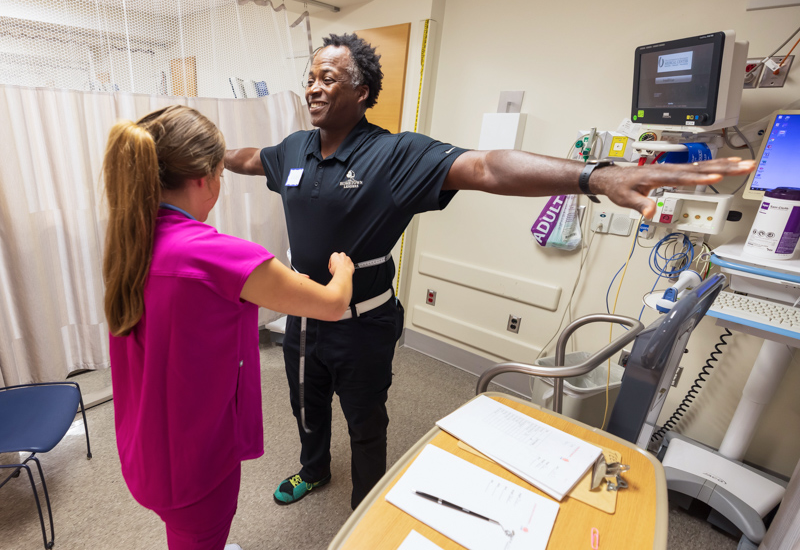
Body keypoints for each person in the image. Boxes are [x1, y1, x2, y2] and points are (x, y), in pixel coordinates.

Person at [224, 33, 755, 510]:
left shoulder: (394, 154)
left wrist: (599, 176)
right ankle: (313, 469)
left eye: (329, 79)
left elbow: (487, 167)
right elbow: (252, 158)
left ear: (361, 92)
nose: (314, 89)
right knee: (304, 402)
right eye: (311, 79)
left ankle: (367, 503)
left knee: (365, 421)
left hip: (362, 324)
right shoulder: (294, 149)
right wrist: (207, 153)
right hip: (304, 316)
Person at [102, 105, 355, 550]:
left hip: (145, 450)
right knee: (200, 536)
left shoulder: (131, 238)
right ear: (203, 177)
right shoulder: (219, 256)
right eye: (220, 172)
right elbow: (332, 305)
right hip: (195, 468)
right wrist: (343, 269)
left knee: (183, 532)